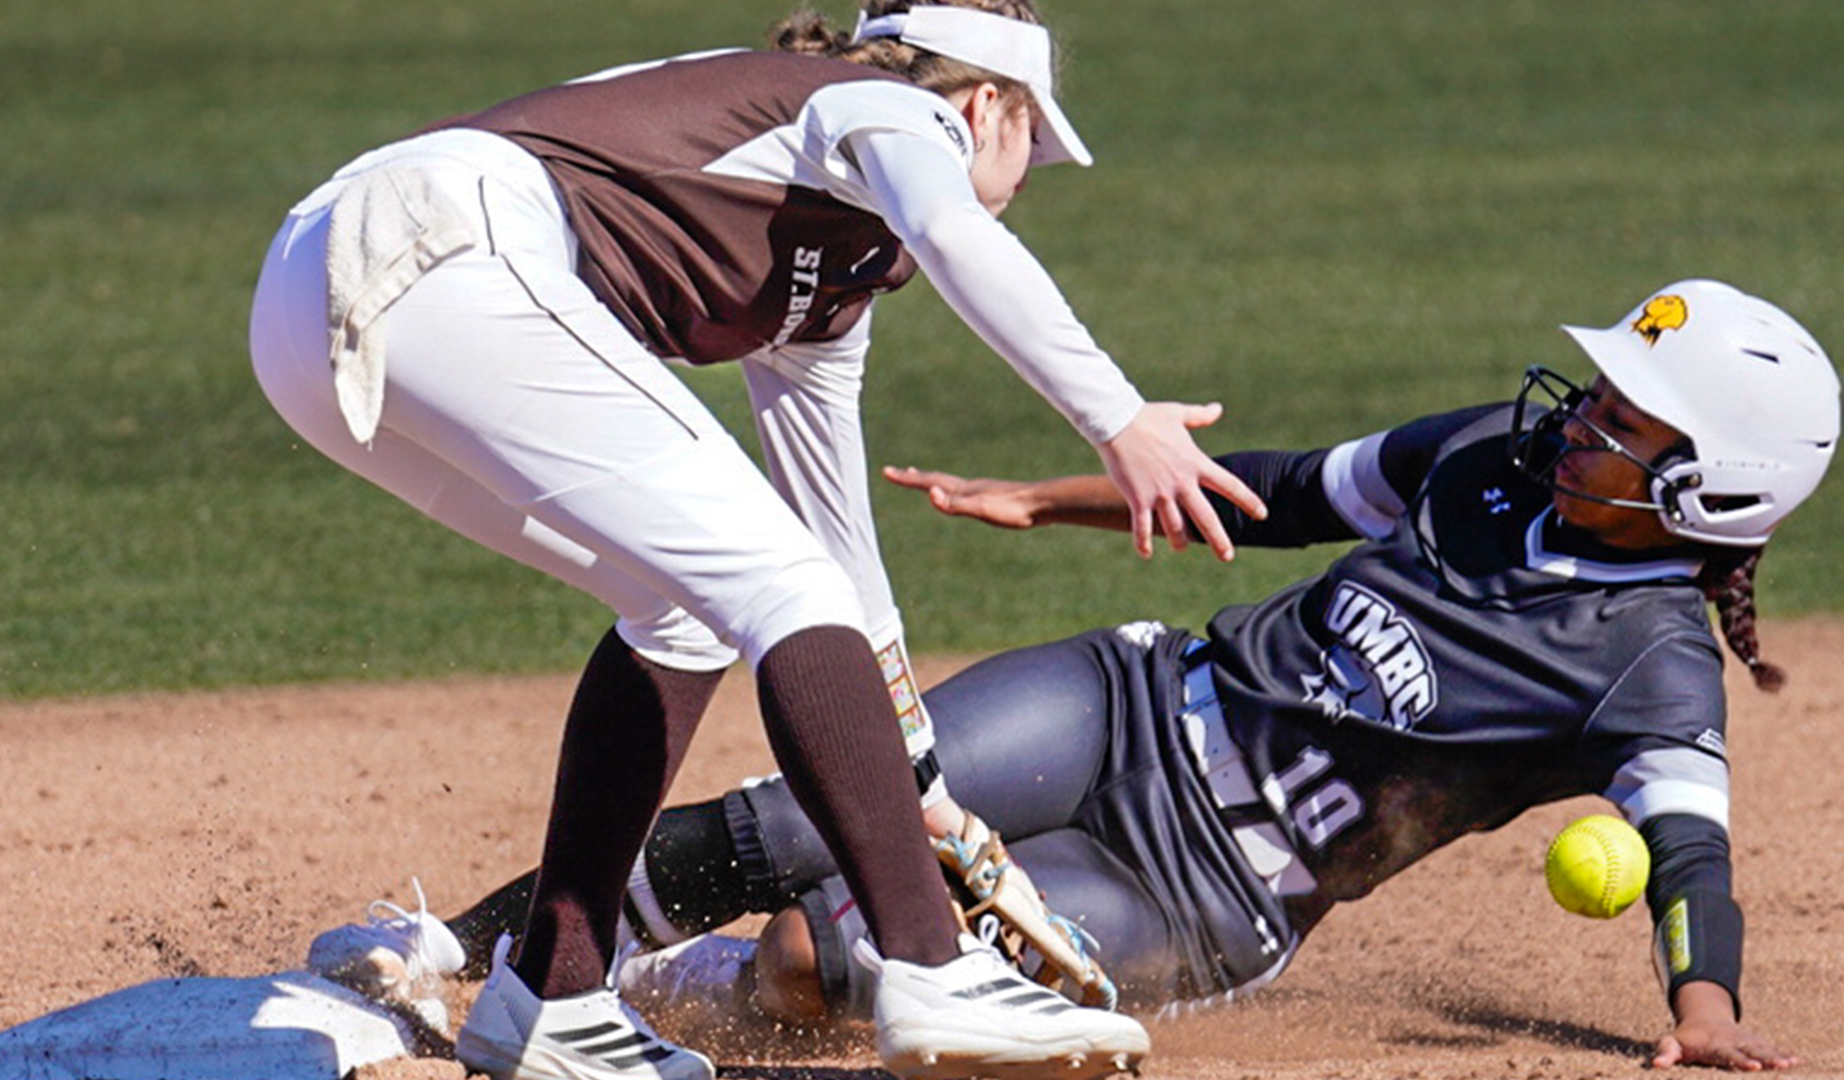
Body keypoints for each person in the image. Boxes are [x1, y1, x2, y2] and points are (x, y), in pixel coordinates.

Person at [368, 279, 1835, 1072]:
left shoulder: (1650, 669)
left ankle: (684, 987)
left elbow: (1687, 849)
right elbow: (1279, 492)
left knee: (825, 958)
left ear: (1706, 494)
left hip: (1215, 894)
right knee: (801, 809)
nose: (1581, 418)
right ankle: (453, 966)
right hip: (1133, 702)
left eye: (1630, 426)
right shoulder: (1493, 454)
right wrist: (1049, 495)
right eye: (1601, 393)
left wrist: (1703, 1011)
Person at [251, 2, 1266, 1078]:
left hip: (333, 300)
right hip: (430, 246)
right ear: (985, 106)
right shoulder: (887, 111)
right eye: (1032, 139)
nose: (1031, 169)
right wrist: (1117, 419)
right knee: (776, 580)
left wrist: (918, 780)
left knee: (692, 604)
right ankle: (934, 967)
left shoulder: (833, 278)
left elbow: (838, 549)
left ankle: (553, 996)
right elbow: (957, 231)